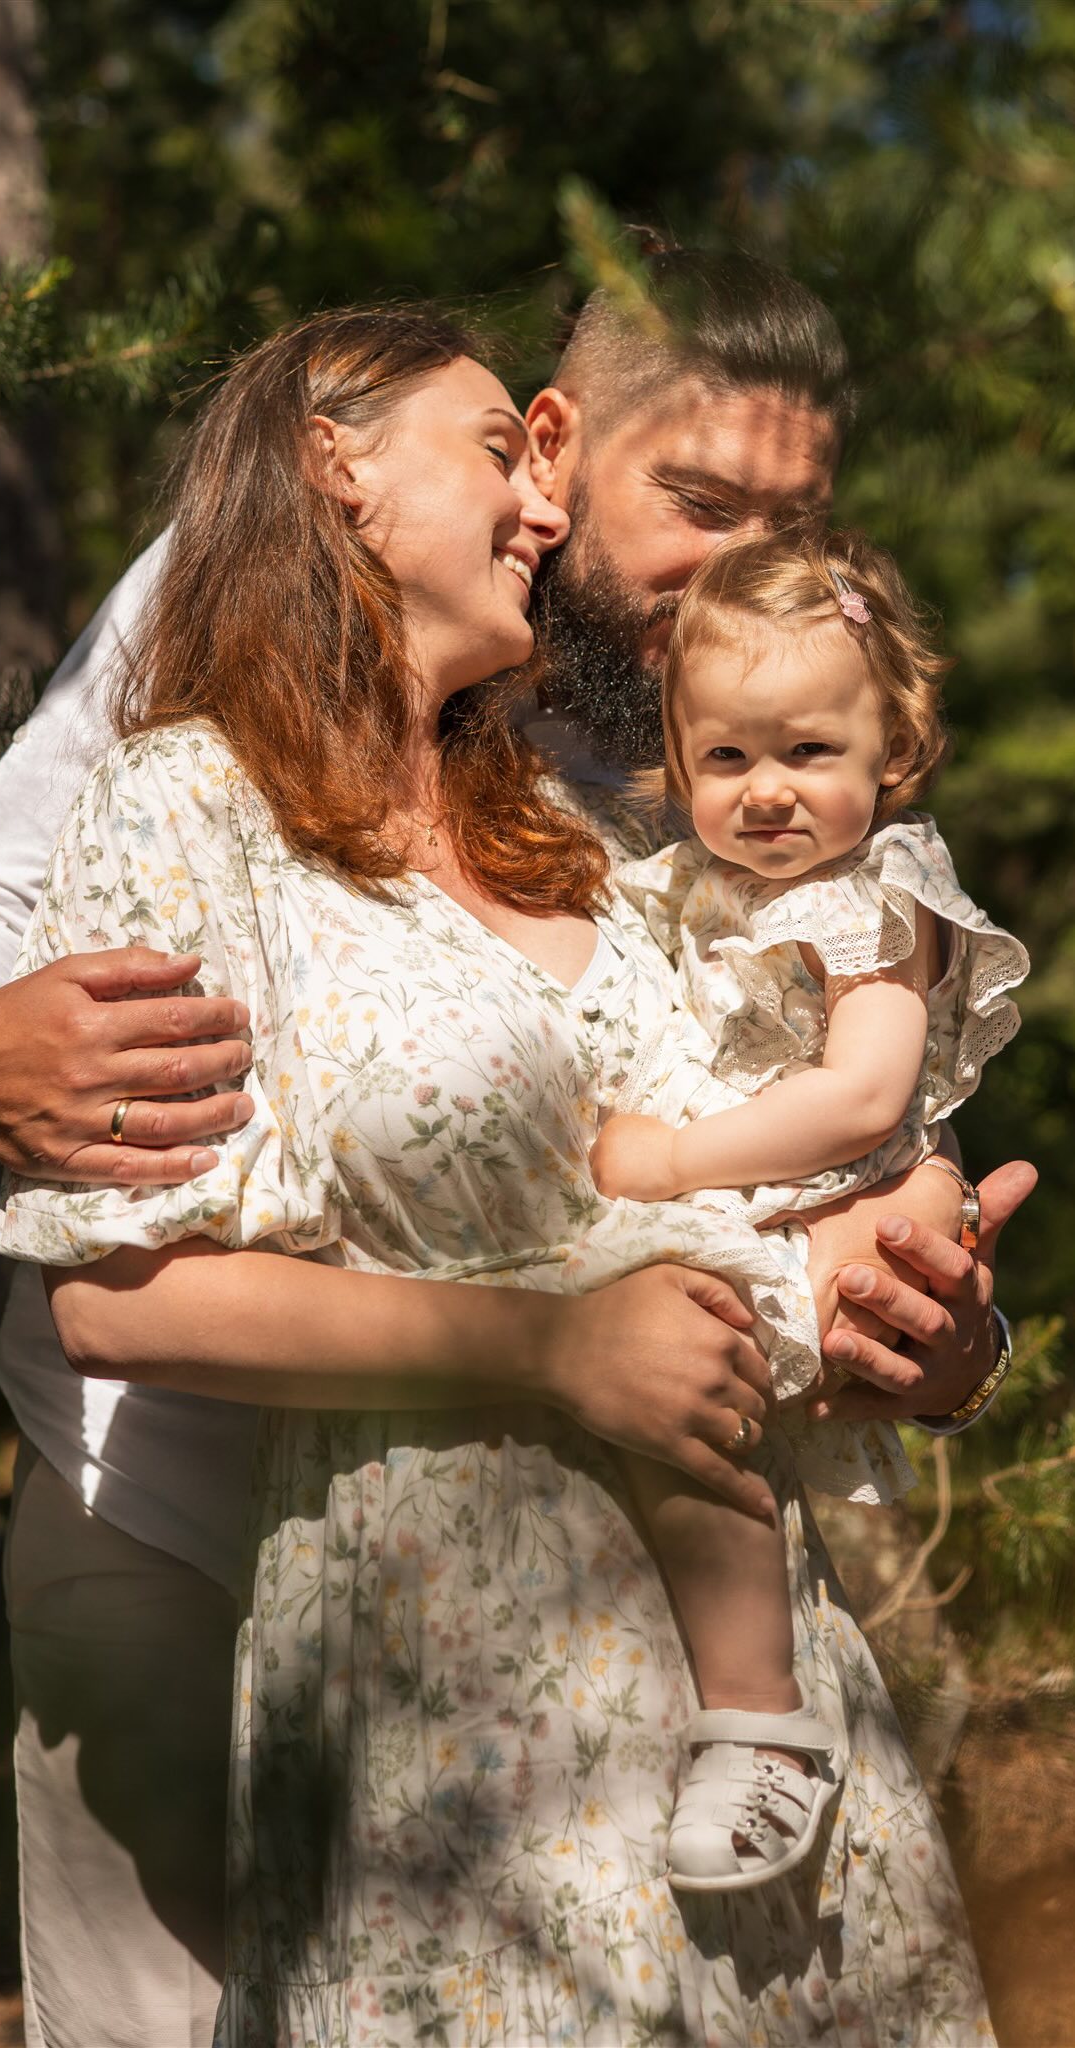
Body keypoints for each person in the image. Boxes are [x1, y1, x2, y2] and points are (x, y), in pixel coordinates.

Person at [0, 249, 1028, 2043]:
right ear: (554, 440)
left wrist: (916, 1303)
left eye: (791, 518)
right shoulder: (224, 705)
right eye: (695, 502)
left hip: (618, 1581)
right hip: (192, 1512)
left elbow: (783, 1114)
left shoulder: (669, 761)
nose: (739, 565)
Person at [581, 523, 1028, 1892]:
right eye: (726, 758)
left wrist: (663, 1164)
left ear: (890, 749)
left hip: (833, 1184)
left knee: (698, 1378)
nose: (765, 792)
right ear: (674, 755)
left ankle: (762, 1719)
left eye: (807, 754)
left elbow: (857, 1098)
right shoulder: (683, 885)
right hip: (757, 1181)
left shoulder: (875, 897)